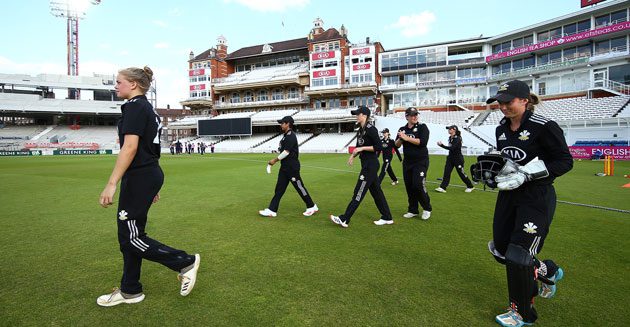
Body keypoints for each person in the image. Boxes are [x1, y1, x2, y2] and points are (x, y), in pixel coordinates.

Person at [97, 66, 200, 307]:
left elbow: (130, 148)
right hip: (146, 175)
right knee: (132, 234)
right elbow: (149, 149)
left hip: (141, 176)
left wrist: (112, 183)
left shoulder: (135, 107)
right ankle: (130, 290)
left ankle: (184, 262)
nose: (116, 86)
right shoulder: (147, 109)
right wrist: (150, 185)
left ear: (133, 84)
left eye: (119, 82)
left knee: (130, 238)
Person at [484, 80, 573, 326]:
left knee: (519, 255)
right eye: (500, 102)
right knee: (502, 249)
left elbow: (565, 161)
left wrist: (528, 174)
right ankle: (548, 271)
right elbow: (508, 162)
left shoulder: (544, 127)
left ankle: (522, 313)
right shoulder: (501, 129)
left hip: (536, 197)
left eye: (508, 102)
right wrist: (496, 173)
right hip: (508, 196)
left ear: (524, 100)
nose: (503, 107)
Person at [330, 106, 393, 227]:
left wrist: (363, 148)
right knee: (377, 193)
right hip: (367, 164)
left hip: (370, 165)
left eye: (357, 114)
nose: (356, 116)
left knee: (358, 192)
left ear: (364, 115)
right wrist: (353, 156)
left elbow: (379, 147)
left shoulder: (371, 129)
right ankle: (387, 217)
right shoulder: (360, 130)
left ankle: (344, 219)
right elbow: (358, 146)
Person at [259, 116, 318, 218]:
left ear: (288, 124)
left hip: (292, 168)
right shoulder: (285, 136)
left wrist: (274, 160)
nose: (281, 125)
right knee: (279, 189)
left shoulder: (291, 136)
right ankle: (272, 210)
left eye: (282, 123)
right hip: (285, 168)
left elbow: (286, 152)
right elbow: (283, 149)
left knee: (299, 187)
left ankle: (312, 206)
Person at [395, 107, 432, 220]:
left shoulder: (422, 127)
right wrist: (401, 139)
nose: (415, 117)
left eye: (416, 114)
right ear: (407, 117)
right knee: (409, 187)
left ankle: (427, 208)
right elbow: (396, 145)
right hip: (407, 162)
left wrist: (406, 138)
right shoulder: (402, 129)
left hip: (420, 161)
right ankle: (413, 209)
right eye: (412, 115)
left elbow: (422, 142)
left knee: (418, 185)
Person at [435, 125, 475, 193]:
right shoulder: (450, 137)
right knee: (446, 172)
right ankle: (443, 187)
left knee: (461, 173)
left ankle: (470, 186)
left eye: (450, 129)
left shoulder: (458, 138)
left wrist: (442, 145)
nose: (449, 130)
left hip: (458, 159)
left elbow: (452, 148)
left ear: (454, 130)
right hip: (450, 158)